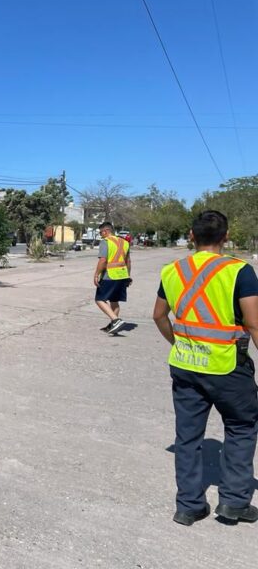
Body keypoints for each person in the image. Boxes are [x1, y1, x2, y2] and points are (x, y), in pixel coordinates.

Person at [153, 210, 258, 526]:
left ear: (191, 235)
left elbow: (159, 315)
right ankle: (233, 503)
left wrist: (180, 344)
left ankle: (188, 506)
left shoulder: (172, 270)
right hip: (229, 368)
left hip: (185, 367)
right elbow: (253, 324)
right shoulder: (240, 271)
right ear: (226, 237)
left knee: (187, 437)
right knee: (241, 428)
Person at [93, 221, 131, 335]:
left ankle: (116, 320)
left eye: (101, 233)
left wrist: (96, 274)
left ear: (106, 231)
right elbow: (128, 261)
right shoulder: (124, 242)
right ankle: (114, 326)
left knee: (99, 299)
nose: (101, 235)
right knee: (114, 301)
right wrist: (128, 276)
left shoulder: (106, 242)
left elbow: (103, 260)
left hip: (109, 275)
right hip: (122, 275)